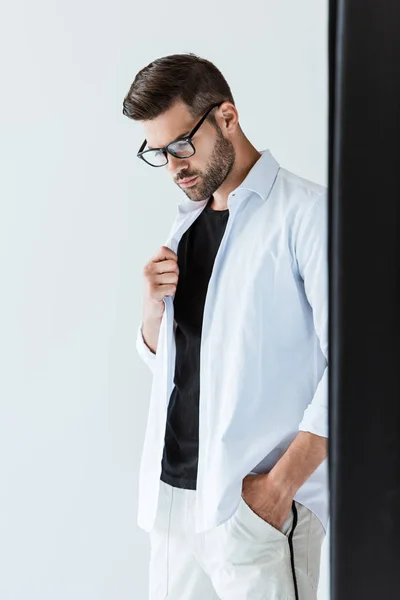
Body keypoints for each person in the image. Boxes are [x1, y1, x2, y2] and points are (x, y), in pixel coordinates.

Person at [123, 53, 328, 600]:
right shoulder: (185, 224)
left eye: (182, 146)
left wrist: (279, 489)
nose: (174, 167)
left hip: (252, 508)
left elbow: (358, 366)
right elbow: (177, 366)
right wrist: (152, 311)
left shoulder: (307, 215)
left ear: (227, 118)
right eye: (159, 153)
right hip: (174, 502)